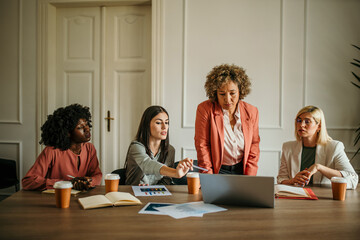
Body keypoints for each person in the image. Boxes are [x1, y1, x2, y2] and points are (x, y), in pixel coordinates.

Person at [194, 64, 260, 175]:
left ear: (240, 91)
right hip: (217, 170)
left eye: (232, 93)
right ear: (215, 93)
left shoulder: (252, 111)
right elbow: (202, 145)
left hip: (242, 169)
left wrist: (250, 178)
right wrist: (209, 178)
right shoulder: (205, 109)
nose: (227, 99)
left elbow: (254, 145)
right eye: (222, 94)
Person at [22, 104, 102, 191]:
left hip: (83, 198)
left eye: (86, 124)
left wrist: (89, 181)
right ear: (67, 132)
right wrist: (68, 183)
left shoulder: (89, 148)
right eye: (80, 127)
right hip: (56, 199)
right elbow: (28, 181)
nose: (87, 129)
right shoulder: (52, 151)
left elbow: (97, 175)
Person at [277, 106, 358, 189]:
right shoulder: (288, 147)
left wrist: (319, 167)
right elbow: (281, 178)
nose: (301, 125)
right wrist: (293, 180)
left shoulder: (334, 147)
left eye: (307, 122)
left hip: (323, 197)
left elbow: (353, 179)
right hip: (297, 195)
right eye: (299, 120)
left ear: (319, 126)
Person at [125, 106, 193, 185]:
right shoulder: (136, 147)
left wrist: (155, 190)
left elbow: (166, 180)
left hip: (157, 195)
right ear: (147, 125)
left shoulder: (170, 150)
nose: (164, 127)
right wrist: (175, 172)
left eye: (166, 122)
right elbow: (147, 164)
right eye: (158, 123)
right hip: (132, 193)